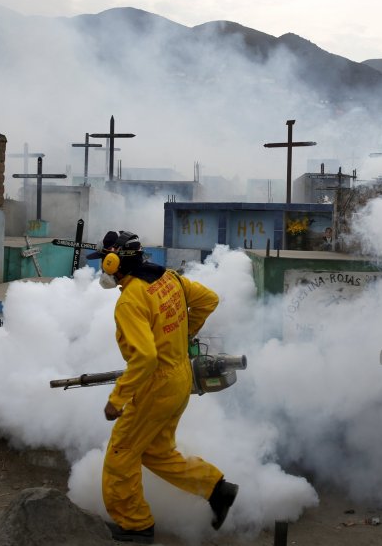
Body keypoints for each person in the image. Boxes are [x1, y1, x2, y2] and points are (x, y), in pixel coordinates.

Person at [88, 230, 238, 544]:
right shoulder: (169, 279)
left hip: (155, 387)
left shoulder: (130, 300)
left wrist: (118, 398)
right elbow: (208, 300)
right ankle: (216, 488)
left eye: (104, 261)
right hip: (180, 378)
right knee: (155, 451)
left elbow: (144, 357)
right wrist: (183, 337)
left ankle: (136, 525)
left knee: (122, 453)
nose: (103, 268)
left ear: (115, 262)